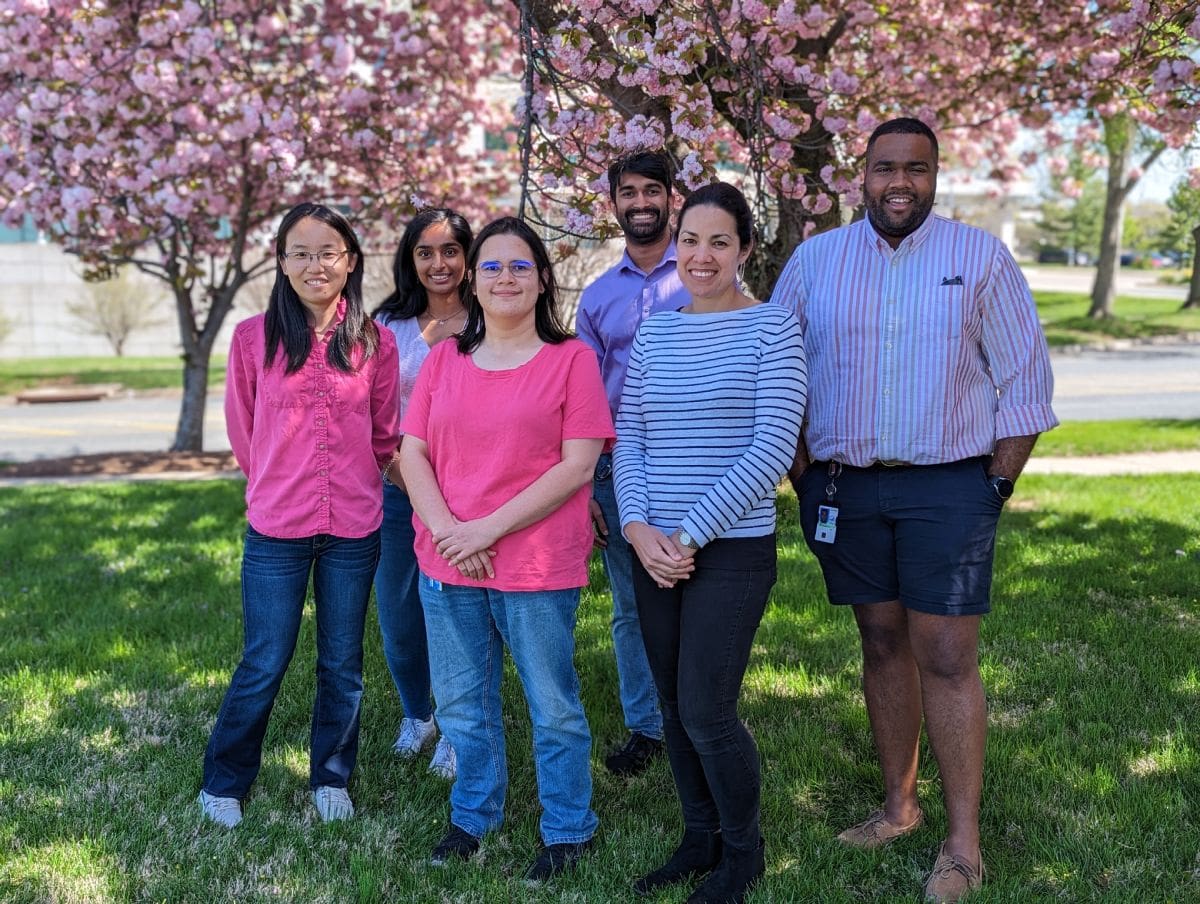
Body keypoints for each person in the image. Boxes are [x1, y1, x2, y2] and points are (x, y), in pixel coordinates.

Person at [771, 117, 1058, 903]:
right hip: (846, 487)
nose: (901, 183)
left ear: (937, 174)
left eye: (918, 169)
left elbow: (1025, 384)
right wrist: (804, 475)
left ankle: (963, 846)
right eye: (886, 168)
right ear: (861, 176)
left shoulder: (979, 258)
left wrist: (992, 487)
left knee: (945, 653)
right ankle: (899, 806)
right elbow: (780, 375)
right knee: (880, 639)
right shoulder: (814, 262)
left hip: (950, 485)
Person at [398, 216, 613, 882]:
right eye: (491, 266)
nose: (506, 278)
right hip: (447, 562)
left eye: (520, 266)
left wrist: (482, 531)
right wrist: (447, 533)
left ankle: (569, 827)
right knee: (463, 704)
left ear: (542, 278)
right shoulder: (444, 360)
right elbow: (412, 453)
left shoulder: (571, 359)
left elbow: (577, 466)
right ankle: (473, 816)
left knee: (553, 706)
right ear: (473, 278)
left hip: (535, 563)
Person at [614, 182, 807, 904]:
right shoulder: (657, 329)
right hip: (653, 548)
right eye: (689, 239)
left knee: (706, 709)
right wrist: (639, 529)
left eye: (719, 241)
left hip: (728, 550)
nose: (701, 255)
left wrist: (688, 534)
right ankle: (698, 838)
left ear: (744, 249)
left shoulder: (773, 328)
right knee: (670, 707)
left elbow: (770, 450)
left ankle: (743, 853)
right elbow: (628, 433)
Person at [199, 202, 399, 827]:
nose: (316, 265)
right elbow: (243, 430)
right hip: (276, 529)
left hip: (354, 528)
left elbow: (385, 435)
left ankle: (332, 777)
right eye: (301, 253)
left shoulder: (376, 342)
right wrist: (270, 486)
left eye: (328, 253)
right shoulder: (251, 338)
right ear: (282, 262)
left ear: (351, 261)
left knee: (342, 662)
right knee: (265, 659)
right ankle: (225, 782)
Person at [576, 149, 689, 777]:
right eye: (628, 193)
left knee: (700, 594)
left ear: (672, 197)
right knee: (630, 603)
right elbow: (585, 400)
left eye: (653, 191)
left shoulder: (701, 276)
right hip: (620, 470)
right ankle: (647, 725)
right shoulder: (596, 298)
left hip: (695, 465)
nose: (641, 202)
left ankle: (700, 714)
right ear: (614, 202)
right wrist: (589, 485)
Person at [372, 208, 474, 780]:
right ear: (410, 260)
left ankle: (460, 728)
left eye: (450, 251)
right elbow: (373, 412)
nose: (439, 263)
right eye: (426, 252)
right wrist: (402, 476)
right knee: (400, 616)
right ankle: (419, 714)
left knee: (460, 617)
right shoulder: (388, 324)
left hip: (471, 495)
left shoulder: (489, 317)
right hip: (396, 487)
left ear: (467, 256)